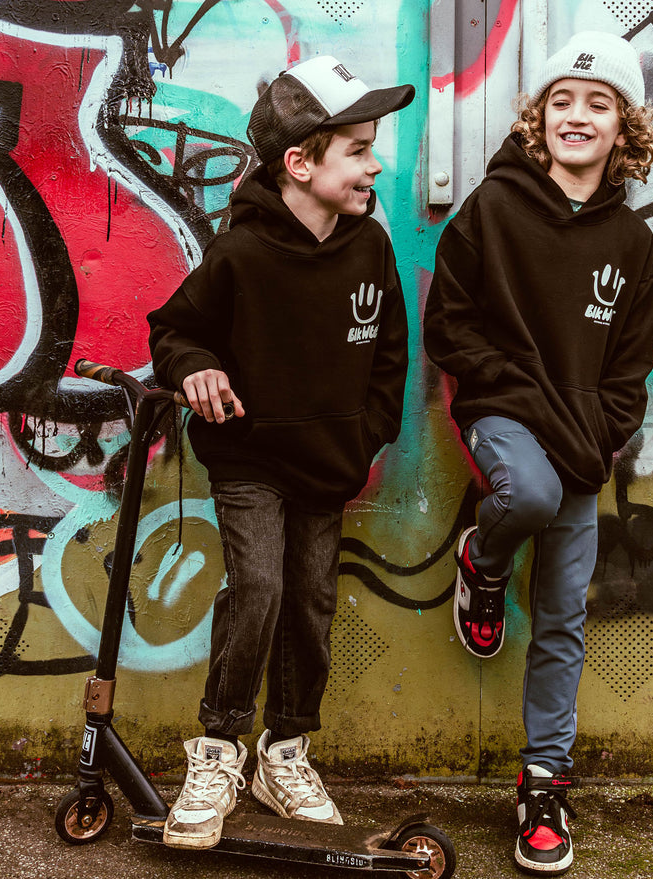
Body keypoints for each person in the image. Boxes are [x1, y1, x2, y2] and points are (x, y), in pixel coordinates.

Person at [146, 55, 412, 850]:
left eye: (372, 147)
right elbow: (175, 330)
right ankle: (218, 748)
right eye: (358, 150)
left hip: (327, 464)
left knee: (310, 604)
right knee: (258, 587)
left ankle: (284, 752)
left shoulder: (370, 250)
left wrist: (363, 434)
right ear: (299, 163)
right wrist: (197, 368)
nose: (374, 164)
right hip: (250, 459)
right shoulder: (242, 253)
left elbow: (390, 356)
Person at [423, 31, 653, 876]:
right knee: (524, 494)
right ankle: (483, 562)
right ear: (538, 117)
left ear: (625, 127)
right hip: (505, 416)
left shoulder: (632, 242)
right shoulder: (492, 208)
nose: (577, 115)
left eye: (599, 103)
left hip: (581, 442)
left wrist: (601, 430)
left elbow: (631, 366)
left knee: (562, 616)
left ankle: (543, 785)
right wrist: (512, 385)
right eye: (562, 100)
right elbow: (448, 323)